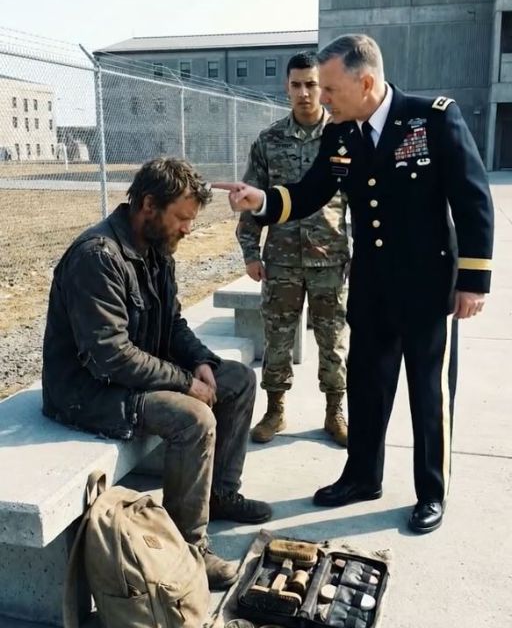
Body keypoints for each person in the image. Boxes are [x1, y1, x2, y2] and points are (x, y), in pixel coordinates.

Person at [215, 34, 494, 534]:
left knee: (428, 394)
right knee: (367, 387)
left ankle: (432, 492)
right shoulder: (342, 133)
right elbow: (310, 192)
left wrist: (473, 282)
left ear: (365, 83)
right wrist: (262, 201)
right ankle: (363, 476)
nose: (321, 98)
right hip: (372, 286)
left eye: (330, 89)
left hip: (429, 288)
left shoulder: (432, 118)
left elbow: (473, 201)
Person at [42, 158, 272, 590]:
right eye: (182, 218)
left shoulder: (156, 248)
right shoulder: (97, 257)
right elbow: (110, 356)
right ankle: (187, 550)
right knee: (193, 418)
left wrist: (200, 361)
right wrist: (184, 383)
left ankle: (219, 495)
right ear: (149, 205)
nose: (188, 229)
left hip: (127, 375)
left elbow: (173, 324)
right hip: (86, 391)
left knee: (238, 380)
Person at [236, 52, 350, 446]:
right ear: (286, 87)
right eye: (296, 84)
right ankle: (275, 410)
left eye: (311, 84)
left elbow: (359, 199)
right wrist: (250, 252)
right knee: (278, 338)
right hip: (281, 260)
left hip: (329, 259)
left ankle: (335, 411)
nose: (304, 93)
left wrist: (361, 255)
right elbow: (251, 199)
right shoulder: (268, 142)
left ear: (322, 87)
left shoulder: (343, 136)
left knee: (333, 340)